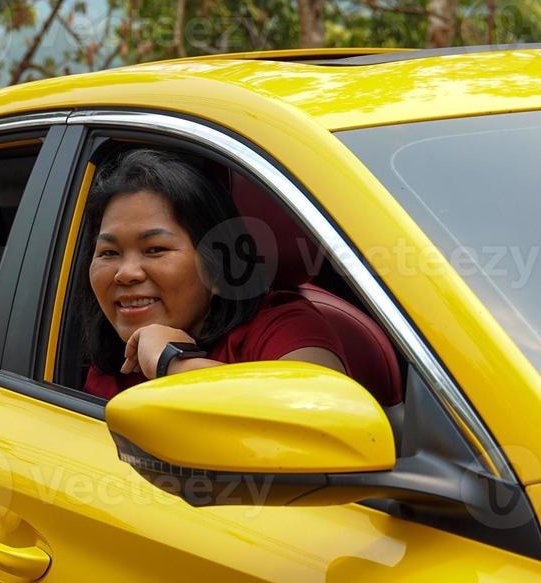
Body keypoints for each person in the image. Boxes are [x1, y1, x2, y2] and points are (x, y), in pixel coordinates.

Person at [78, 148, 346, 400]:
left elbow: (322, 409)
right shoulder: (112, 363)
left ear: (217, 266)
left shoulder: (281, 326)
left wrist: (173, 363)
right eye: (109, 253)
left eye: (155, 249)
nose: (126, 274)